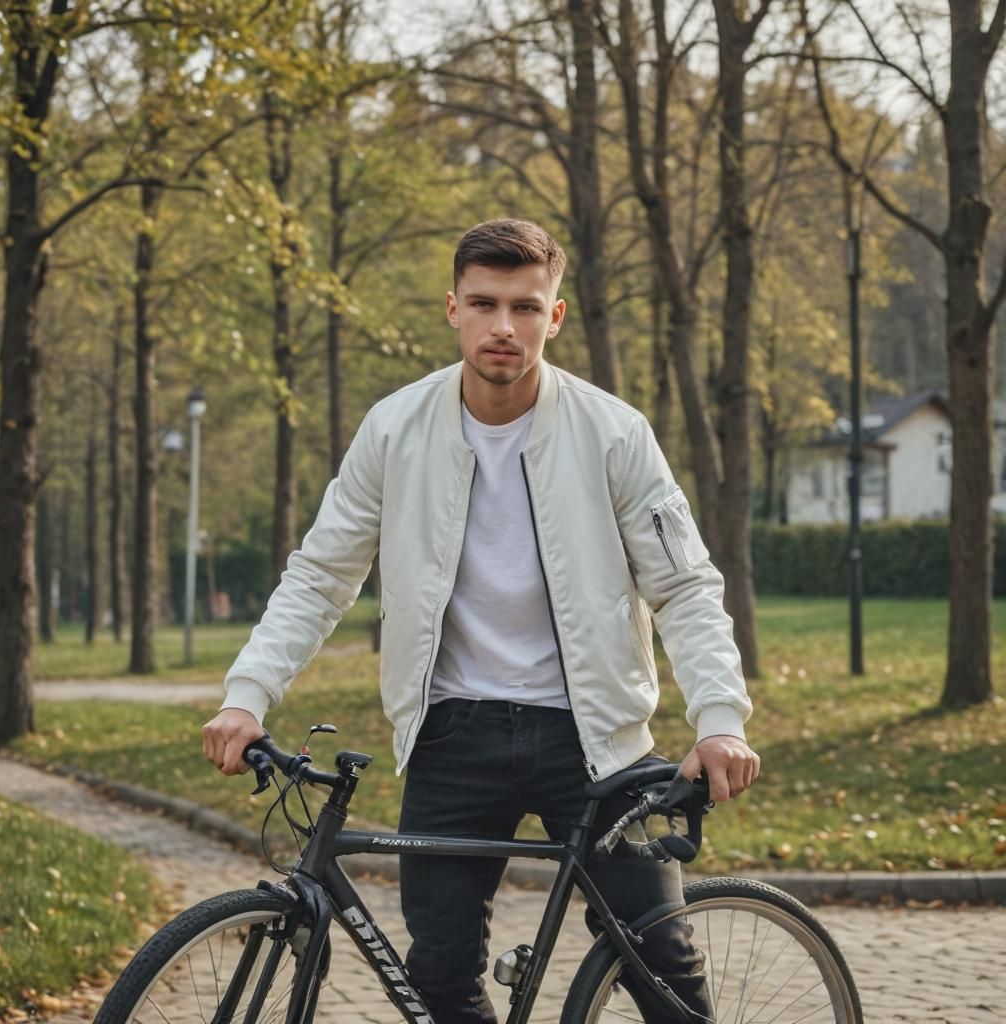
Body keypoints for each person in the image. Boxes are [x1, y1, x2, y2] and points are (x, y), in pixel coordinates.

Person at [202, 218, 760, 1023]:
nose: (505, 326)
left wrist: (719, 719)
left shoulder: (614, 434)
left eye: (526, 307)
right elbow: (321, 576)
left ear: (555, 316)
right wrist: (247, 693)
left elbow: (685, 586)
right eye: (485, 303)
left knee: (662, 963)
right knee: (440, 981)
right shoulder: (394, 430)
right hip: (452, 736)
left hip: (595, 738)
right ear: (453, 309)